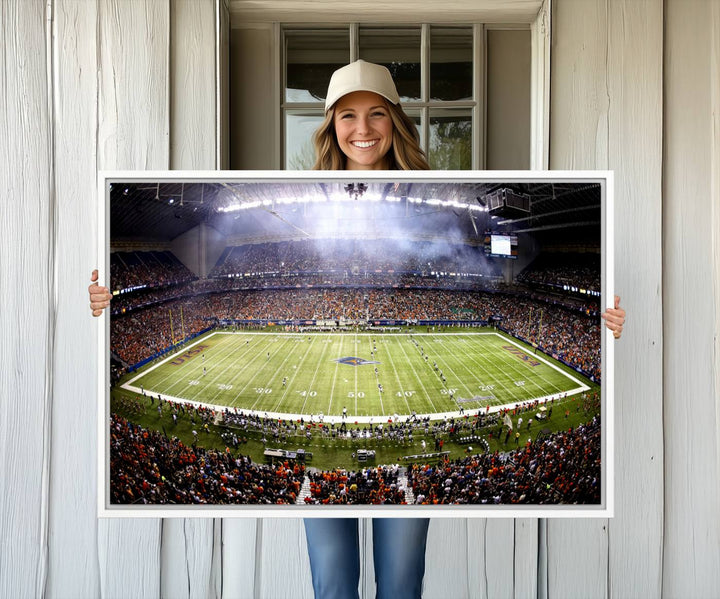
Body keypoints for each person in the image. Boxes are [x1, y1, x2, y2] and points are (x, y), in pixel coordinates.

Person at [87, 59, 627, 599]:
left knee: (400, 584)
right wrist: (102, 305)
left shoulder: (437, 190)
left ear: (396, 120)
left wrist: (606, 321)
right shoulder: (297, 188)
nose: (362, 129)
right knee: (333, 584)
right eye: (347, 116)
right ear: (330, 126)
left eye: (376, 114)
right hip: (331, 492)